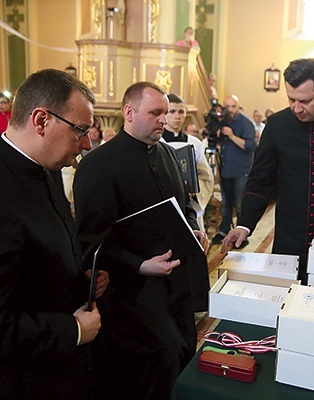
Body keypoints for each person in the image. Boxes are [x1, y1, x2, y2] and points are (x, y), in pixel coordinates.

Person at [0, 68, 108, 399]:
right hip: (8, 383)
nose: (87, 143)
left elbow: (37, 254)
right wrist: (73, 330)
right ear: (41, 121)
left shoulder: (45, 168)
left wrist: (80, 277)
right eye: (81, 130)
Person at [73, 81, 209, 400]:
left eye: (166, 113)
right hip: (128, 296)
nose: (164, 119)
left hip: (173, 287)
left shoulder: (166, 154)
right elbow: (91, 240)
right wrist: (139, 265)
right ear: (129, 112)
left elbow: (184, 204)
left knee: (184, 351)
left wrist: (193, 228)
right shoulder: (98, 165)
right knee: (157, 367)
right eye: (156, 113)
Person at [221, 58, 314, 282]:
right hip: (288, 236)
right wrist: (245, 224)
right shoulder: (276, 124)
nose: (296, 108)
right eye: (291, 99)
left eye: (305, 100)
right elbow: (261, 181)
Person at [162, 93, 214, 311]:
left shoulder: (194, 143)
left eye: (181, 111)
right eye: (172, 111)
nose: (177, 116)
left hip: (189, 208)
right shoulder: (158, 141)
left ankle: (193, 302)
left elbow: (206, 176)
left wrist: (194, 195)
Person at [211, 94, 257, 246]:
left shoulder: (245, 123)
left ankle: (241, 234)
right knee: (226, 204)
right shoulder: (222, 122)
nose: (230, 110)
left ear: (238, 107)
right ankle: (224, 230)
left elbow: (250, 146)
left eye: (233, 106)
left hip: (240, 171)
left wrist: (231, 135)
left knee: (240, 204)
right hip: (225, 169)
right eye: (227, 107)